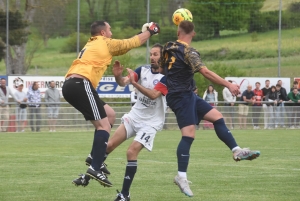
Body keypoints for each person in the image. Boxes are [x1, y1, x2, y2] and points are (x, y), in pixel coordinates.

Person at [159, 21, 260, 197]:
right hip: (180, 95)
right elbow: (205, 72)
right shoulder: (189, 52)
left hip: (186, 94)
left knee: (217, 116)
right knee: (189, 134)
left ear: (178, 31)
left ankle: (236, 151)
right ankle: (181, 176)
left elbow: (162, 67)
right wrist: (228, 84)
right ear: (194, 33)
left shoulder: (168, 46)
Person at [62, 20, 160, 188]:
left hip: (73, 84)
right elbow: (130, 43)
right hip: (80, 84)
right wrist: (150, 31)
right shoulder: (104, 43)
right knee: (104, 127)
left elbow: (126, 44)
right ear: (102, 33)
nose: (112, 33)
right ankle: (95, 167)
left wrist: (141, 32)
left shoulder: (92, 43)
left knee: (110, 115)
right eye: (110, 30)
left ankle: (94, 158)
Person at [72, 44, 167, 201]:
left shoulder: (167, 77)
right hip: (134, 117)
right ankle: (86, 177)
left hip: (150, 123)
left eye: (156, 54)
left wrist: (135, 84)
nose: (152, 57)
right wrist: (118, 76)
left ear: (163, 57)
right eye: (151, 54)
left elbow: (153, 95)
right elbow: (124, 82)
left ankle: (124, 195)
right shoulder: (142, 70)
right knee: (108, 146)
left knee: (131, 152)